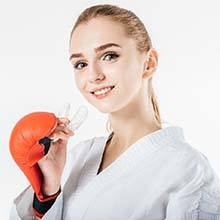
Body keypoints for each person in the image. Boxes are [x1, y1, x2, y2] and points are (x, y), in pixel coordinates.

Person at [9, 4, 220, 220]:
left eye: (109, 56)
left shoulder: (188, 170)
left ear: (149, 63)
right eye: (81, 64)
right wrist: (48, 191)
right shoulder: (78, 157)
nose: (93, 75)